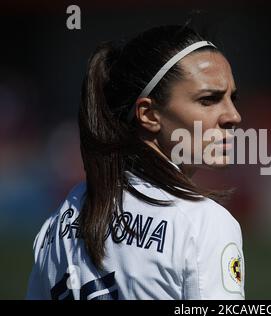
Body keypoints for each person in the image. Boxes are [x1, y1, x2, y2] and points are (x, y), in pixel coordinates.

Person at [26, 25, 244, 300]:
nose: (233, 116)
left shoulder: (62, 218)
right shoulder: (202, 223)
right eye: (208, 99)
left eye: (232, 98)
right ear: (149, 114)